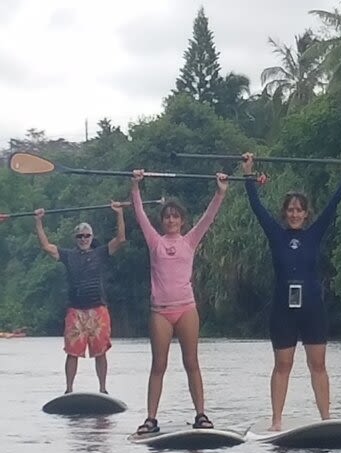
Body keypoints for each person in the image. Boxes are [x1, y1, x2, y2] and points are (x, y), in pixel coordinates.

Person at [241, 152, 341, 431]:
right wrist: (248, 174)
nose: (295, 214)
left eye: (299, 210)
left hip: (312, 309)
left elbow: (332, 206)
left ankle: (326, 418)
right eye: (291, 210)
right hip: (283, 311)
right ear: (285, 213)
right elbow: (257, 208)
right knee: (283, 365)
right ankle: (276, 421)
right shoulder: (276, 234)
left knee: (317, 364)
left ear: (306, 214)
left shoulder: (314, 233)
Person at [132, 170, 228, 435]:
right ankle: (151, 418)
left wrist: (220, 192)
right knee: (159, 365)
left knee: (191, 362)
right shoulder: (155, 242)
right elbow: (139, 215)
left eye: (175, 216)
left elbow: (209, 217)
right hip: (160, 312)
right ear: (162, 221)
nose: (171, 220)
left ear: (182, 221)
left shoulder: (190, 241)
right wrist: (135, 186)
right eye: (167, 217)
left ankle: (201, 414)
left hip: (186, 309)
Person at [34, 203, 126, 394]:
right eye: (80, 236)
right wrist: (38, 222)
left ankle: (103, 389)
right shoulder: (68, 255)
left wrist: (119, 214)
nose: (84, 238)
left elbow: (121, 239)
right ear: (75, 239)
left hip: (98, 310)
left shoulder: (100, 252)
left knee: (101, 352)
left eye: (87, 235)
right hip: (75, 310)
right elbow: (46, 246)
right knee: (72, 353)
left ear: (92, 237)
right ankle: (69, 389)